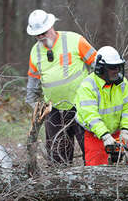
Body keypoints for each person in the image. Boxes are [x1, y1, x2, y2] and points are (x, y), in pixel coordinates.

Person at [26, 9, 97, 165]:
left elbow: (98, 64)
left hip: (82, 106)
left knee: (92, 152)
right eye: (37, 35)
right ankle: (60, 186)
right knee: (58, 158)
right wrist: (32, 102)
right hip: (54, 110)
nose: (41, 37)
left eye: (43, 33)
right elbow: (33, 80)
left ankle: (97, 182)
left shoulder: (74, 40)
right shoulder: (35, 51)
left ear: (51, 26)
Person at [75, 46, 128, 166]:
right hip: (93, 133)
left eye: (118, 67)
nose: (116, 70)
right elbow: (90, 115)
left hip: (116, 132)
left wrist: (125, 130)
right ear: (101, 68)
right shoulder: (88, 86)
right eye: (112, 68)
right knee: (95, 168)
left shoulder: (122, 83)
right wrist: (104, 135)